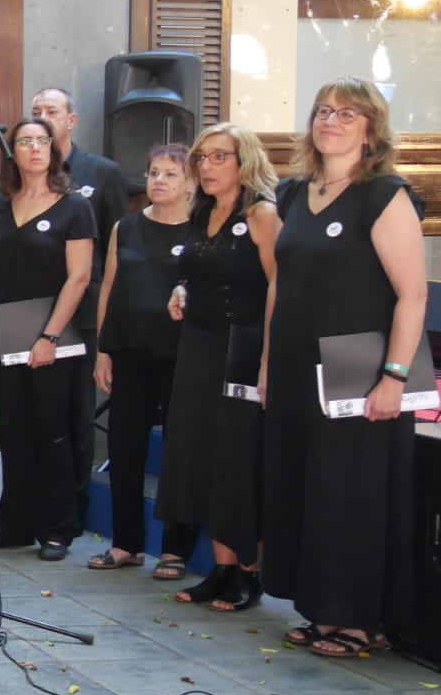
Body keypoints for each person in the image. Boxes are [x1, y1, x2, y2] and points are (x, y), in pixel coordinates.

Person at [261, 79, 427, 658]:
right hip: (294, 364)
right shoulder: (291, 193)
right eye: (324, 111)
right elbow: (279, 283)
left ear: (371, 129)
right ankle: (319, 605)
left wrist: (396, 375)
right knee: (306, 483)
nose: (332, 120)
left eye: (348, 114)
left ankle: (358, 618)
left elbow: (412, 294)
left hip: (360, 365)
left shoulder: (385, 195)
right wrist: (265, 363)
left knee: (352, 491)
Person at [155, 125, 278, 604]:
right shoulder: (201, 213)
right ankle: (221, 570)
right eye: (202, 158)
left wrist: (268, 356)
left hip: (242, 347)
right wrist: (181, 290)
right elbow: (192, 272)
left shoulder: (262, 213)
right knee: (202, 456)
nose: (206, 166)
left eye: (218, 157)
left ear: (244, 162)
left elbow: (278, 287)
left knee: (237, 459)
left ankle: (250, 571)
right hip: (198, 347)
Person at [0, 116, 95, 560]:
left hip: (55, 333)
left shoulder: (74, 206)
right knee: (14, 430)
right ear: (13, 152)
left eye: (40, 140)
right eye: (23, 140)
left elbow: (79, 276)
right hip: (6, 328)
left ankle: (58, 527)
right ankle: (16, 523)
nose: (33, 148)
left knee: (53, 431)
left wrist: (48, 335)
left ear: (53, 148)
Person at [88, 143, 195, 573]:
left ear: (190, 183)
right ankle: (125, 542)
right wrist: (102, 349)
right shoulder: (126, 227)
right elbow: (109, 289)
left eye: (171, 173)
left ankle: (175, 549)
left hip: (183, 358)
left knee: (180, 452)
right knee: (124, 449)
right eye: (154, 172)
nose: (159, 180)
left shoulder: (202, 230)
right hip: (130, 352)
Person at [31, 87, 127, 521]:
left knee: (75, 412)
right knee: (32, 412)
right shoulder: (21, 171)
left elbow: (115, 244)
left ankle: (73, 507)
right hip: (31, 307)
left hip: (83, 307)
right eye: (35, 112)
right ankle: (31, 505)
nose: (42, 117)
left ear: (71, 120)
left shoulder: (101, 173)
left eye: (51, 111)